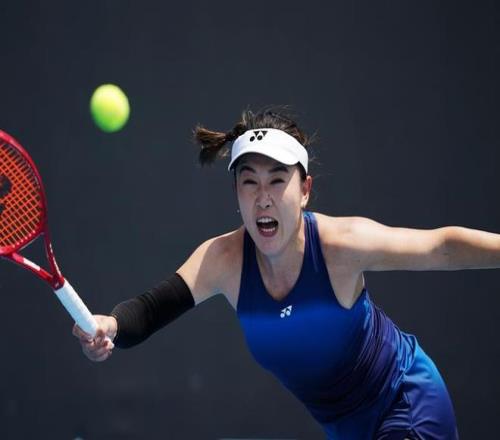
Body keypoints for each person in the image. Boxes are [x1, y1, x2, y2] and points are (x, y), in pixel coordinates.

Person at [73, 108, 500, 439]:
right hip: (345, 429)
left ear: (305, 190)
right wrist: (110, 326)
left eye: (277, 181)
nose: (263, 198)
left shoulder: (340, 246)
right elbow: (151, 310)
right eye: (249, 182)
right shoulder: (224, 260)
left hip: (406, 402)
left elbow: (440, 247)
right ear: (236, 193)